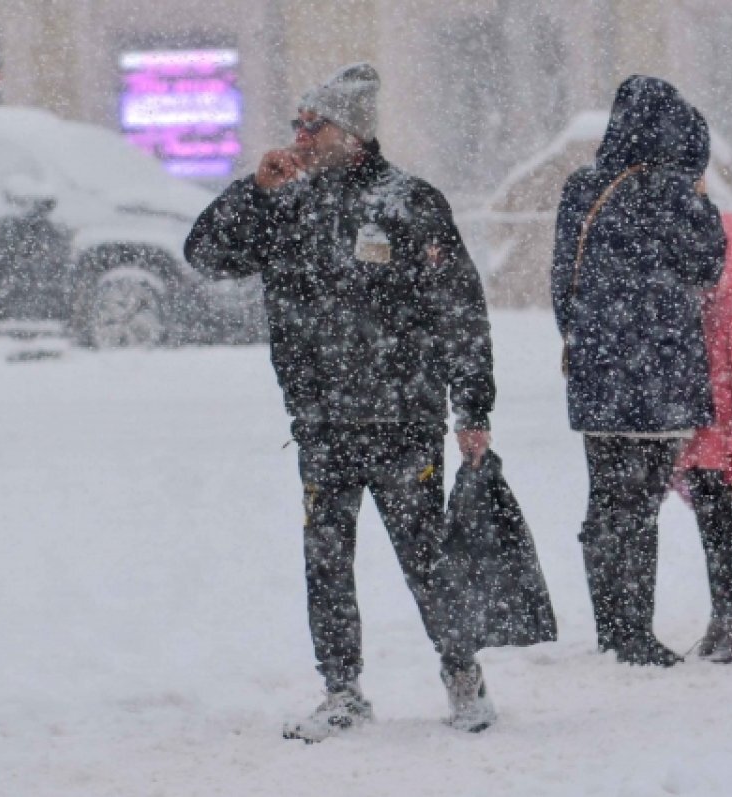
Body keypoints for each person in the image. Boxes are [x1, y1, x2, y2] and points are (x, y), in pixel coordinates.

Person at [184, 63, 498, 741]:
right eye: (297, 120)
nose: (299, 133)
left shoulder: (410, 203)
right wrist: (254, 192)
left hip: (403, 420)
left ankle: (463, 675)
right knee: (325, 560)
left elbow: (459, 312)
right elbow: (205, 254)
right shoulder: (286, 204)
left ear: (350, 133)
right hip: (322, 422)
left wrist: (472, 407)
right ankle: (342, 689)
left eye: (313, 122)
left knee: (425, 557)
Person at [551, 76, 726, 668]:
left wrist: (590, 339)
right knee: (641, 502)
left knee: (606, 499)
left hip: (599, 374)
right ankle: (634, 634)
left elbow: (562, 284)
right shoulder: (677, 193)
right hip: (662, 373)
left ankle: (612, 626)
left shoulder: (583, 188)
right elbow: (709, 267)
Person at [675, 212, 732, 663]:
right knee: (714, 541)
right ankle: (722, 616)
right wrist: (681, 457)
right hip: (700, 458)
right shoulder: (693, 312)